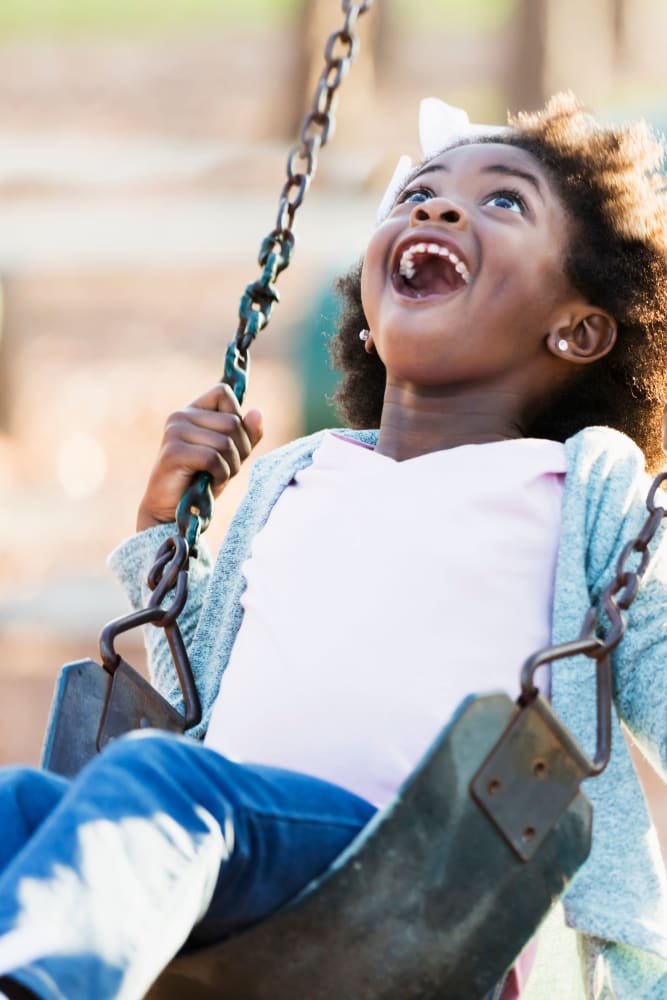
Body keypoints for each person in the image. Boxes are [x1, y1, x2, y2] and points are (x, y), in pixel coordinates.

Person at [1, 91, 667, 1000]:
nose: (436, 209)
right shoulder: (300, 476)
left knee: (165, 782)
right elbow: (203, 678)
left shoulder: (582, 492)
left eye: (502, 201)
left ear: (579, 328)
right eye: (418, 195)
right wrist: (162, 532)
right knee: (21, 809)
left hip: (420, 889)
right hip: (232, 860)